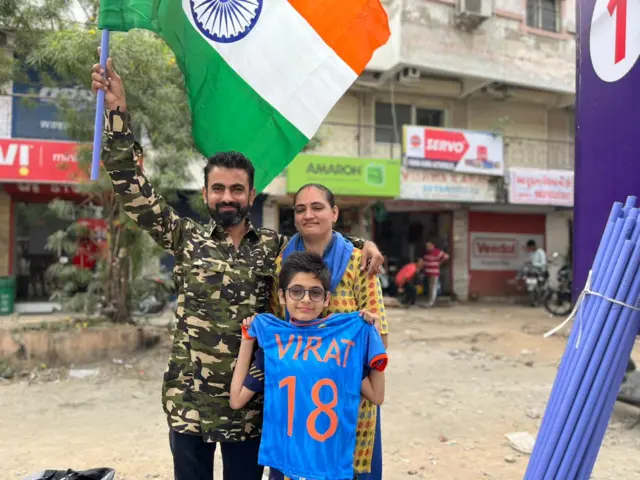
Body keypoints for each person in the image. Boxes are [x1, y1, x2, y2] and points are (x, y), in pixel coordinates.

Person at [90, 58, 384, 480]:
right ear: (207, 193)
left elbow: (319, 241)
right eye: (218, 188)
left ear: (251, 194)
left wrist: (362, 243)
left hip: (251, 407)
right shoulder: (183, 237)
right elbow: (131, 188)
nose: (228, 196)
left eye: (237, 189)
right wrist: (117, 113)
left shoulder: (276, 248)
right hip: (188, 401)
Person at [245, 183, 389, 479]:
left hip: (347, 397)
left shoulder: (359, 263)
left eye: (317, 207)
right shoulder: (281, 262)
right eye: (300, 209)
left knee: (347, 468)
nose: (308, 215)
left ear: (334, 213)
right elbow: (278, 328)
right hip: (296, 401)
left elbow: (379, 336)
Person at [229, 252, 386, 479]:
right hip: (285, 465)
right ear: (282, 297)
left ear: (327, 299)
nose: (305, 299)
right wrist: (247, 340)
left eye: (315, 292)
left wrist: (373, 337)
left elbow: (377, 396)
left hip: (329, 464)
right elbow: (236, 400)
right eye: (296, 291)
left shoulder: (344, 343)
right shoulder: (274, 344)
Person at [422, 240, 449, 307]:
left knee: (433, 287)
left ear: (432, 246)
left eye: (429, 246)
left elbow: (446, 256)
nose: (427, 247)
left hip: (434, 273)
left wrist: (439, 263)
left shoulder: (437, 252)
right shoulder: (427, 253)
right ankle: (430, 301)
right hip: (428, 273)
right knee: (430, 287)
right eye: (427, 246)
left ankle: (431, 302)